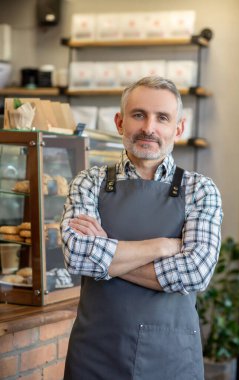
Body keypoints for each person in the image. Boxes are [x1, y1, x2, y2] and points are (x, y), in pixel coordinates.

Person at [60, 76, 223, 380]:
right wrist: (162, 246)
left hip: (172, 359)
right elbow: (76, 256)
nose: (149, 127)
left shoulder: (201, 189)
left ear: (178, 128)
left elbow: (195, 272)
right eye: (139, 115)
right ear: (120, 122)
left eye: (162, 117)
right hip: (94, 355)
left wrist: (106, 252)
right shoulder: (89, 181)